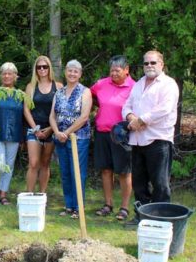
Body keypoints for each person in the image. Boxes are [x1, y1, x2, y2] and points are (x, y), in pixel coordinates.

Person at [121, 50, 179, 214]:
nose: (149, 66)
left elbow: (164, 109)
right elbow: (127, 105)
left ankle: (161, 218)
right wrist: (131, 117)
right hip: (137, 140)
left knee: (160, 184)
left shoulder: (168, 84)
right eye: (146, 63)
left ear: (161, 64)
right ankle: (141, 217)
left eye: (153, 62)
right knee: (139, 183)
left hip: (158, 140)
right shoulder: (139, 84)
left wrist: (141, 120)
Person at [90, 55, 136, 221]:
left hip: (122, 135)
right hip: (102, 132)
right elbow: (90, 96)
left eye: (117, 70)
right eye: (111, 70)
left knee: (124, 171)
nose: (114, 73)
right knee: (106, 169)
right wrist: (98, 106)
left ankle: (124, 207)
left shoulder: (134, 87)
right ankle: (108, 204)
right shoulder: (102, 84)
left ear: (126, 70)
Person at [49, 60, 92, 219]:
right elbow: (52, 116)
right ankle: (68, 205)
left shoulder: (85, 91)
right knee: (65, 172)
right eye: (70, 70)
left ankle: (78, 208)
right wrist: (56, 132)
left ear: (80, 74)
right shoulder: (59, 92)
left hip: (78, 138)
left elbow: (84, 117)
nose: (72, 74)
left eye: (76, 71)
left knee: (77, 172)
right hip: (60, 138)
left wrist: (66, 132)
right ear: (65, 72)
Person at [0, 62, 24, 205]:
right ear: (0, 75)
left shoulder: (20, 95)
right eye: (4, 73)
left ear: (15, 76)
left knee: (9, 164)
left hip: (14, 135)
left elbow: (24, 116)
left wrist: (23, 138)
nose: (7, 76)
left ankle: (3, 194)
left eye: (10, 73)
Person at [23, 56, 62, 193]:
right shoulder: (31, 86)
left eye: (44, 66)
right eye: (39, 67)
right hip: (34, 128)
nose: (42, 69)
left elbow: (61, 110)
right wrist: (35, 129)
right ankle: (29, 195)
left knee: (45, 164)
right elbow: (26, 110)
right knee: (33, 163)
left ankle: (42, 195)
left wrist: (52, 129)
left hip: (51, 128)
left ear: (49, 68)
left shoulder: (58, 86)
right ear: (35, 69)